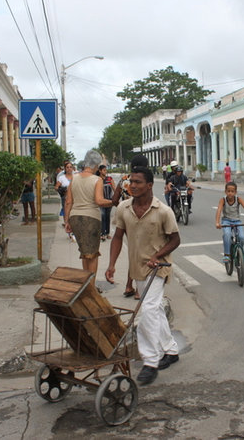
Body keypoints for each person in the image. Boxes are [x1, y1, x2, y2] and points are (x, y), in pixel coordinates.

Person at [105, 166, 180, 385]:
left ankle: (150, 361)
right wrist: (111, 265)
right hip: (137, 267)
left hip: (158, 267)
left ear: (149, 185)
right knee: (154, 309)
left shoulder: (163, 211)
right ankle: (171, 350)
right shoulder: (123, 208)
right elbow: (118, 237)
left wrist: (158, 255)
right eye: (131, 182)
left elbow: (175, 240)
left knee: (147, 309)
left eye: (138, 182)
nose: (132, 186)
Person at [64, 150, 113, 287]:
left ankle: (86, 284)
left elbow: (68, 201)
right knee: (92, 254)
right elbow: (99, 201)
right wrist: (113, 202)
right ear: (96, 165)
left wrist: (67, 221)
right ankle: (90, 287)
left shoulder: (74, 178)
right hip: (90, 219)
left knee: (85, 253)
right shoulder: (97, 180)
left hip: (75, 218)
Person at [112, 154, 149, 299]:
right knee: (141, 254)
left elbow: (115, 199)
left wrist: (123, 207)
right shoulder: (145, 180)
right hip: (141, 218)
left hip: (126, 219)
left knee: (134, 252)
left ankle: (129, 285)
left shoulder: (124, 180)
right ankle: (138, 290)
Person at [215, 182, 244, 263]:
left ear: (235, 192)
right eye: (228, 191)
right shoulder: (223, 200)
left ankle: (240, 251)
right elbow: (219, 210)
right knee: (227, 234)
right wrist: (217, 222)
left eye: (232, 191)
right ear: (225, 191)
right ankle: (227, 254)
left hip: (237, 221)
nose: (230, 193)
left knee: (242, 237)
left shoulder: (239, 199)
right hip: (226, 221)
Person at [96, 165, 114, 241]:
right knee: (102, 216)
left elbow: (115, 189)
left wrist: (115, 199)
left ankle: (107, 233)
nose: (105, 171)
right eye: (104, 170)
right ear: (100, 171)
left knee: (107, 216)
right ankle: (102, 233)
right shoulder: (97, 179)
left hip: (109, 201)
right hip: (101, 201)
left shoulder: (110, 179)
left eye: (106, 170)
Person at [55, 161, 73, 226]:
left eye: (71, 167)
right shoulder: (61, 178)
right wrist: (62, 190)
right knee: (66, 213)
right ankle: (67, 225)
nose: (69, 169)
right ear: (65, 169)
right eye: (67, 167)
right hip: (65, 198)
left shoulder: (76, 177)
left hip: (74, 198)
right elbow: (56, 187)